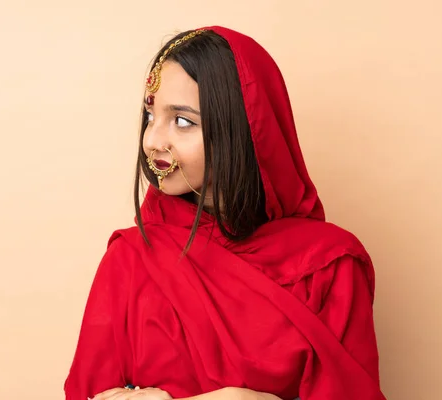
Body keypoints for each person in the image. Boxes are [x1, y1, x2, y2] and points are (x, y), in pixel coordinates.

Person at [64, 26, 386, 400]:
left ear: (246, 128)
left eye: (183, 121)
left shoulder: (327, 266)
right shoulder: (132, 258)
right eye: (150, 117)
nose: (152, 141)